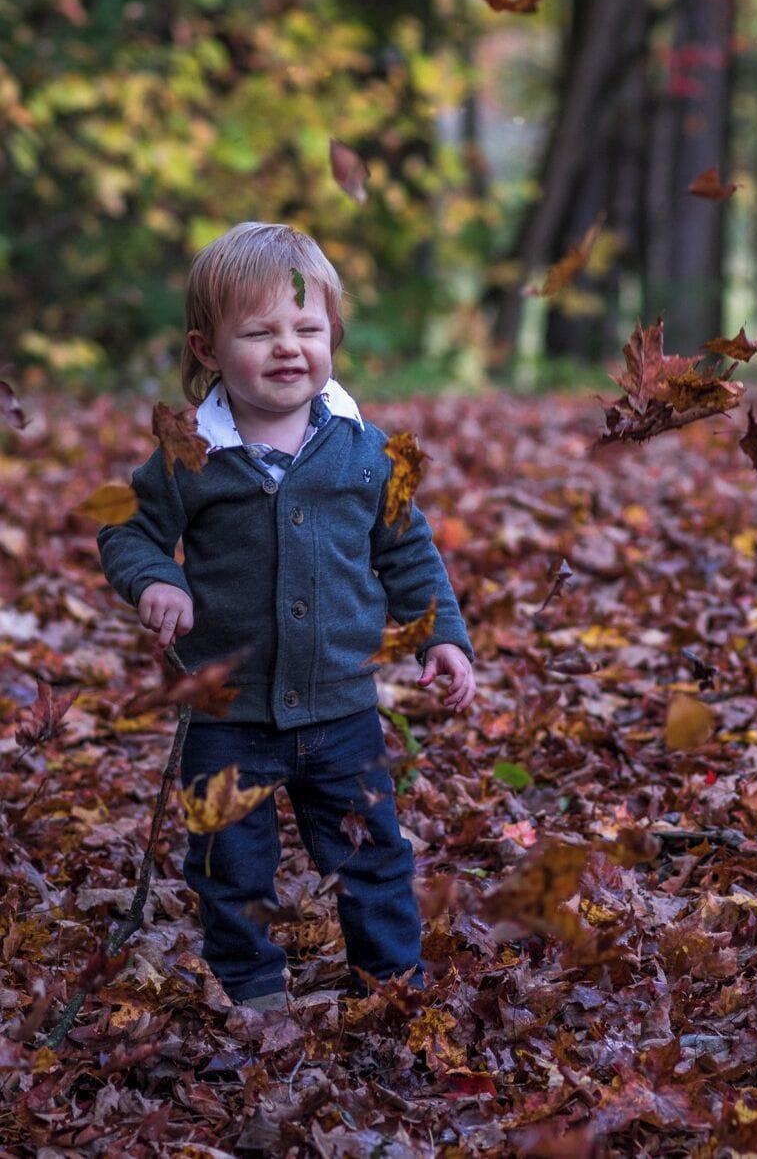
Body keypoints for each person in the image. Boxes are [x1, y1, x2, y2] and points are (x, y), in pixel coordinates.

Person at [96, 221, 476, 1013]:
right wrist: (155, 581)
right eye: (259, 332)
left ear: (332, 335)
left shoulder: (366, 451)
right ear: (207, 349)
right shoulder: (189, 454)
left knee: (372, 854)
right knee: (230, 860)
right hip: (227, 709)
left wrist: (440, 635)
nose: (287, 348)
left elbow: (407, 551)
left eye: (306, 329)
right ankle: (254, 990)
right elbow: (127, 530)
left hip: (342, 707)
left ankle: (390, 983)